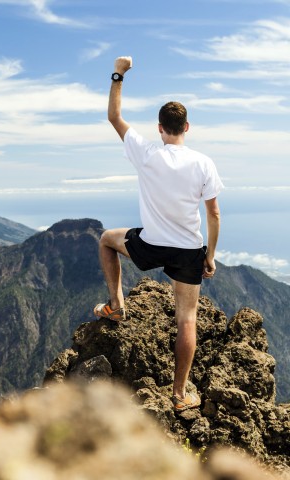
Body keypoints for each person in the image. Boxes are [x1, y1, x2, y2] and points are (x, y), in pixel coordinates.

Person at [94, 56, 223, 412]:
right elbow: (213, 213)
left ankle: (117, 306)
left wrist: (119, 74)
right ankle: (180, 394)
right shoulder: (203, 163)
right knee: (187, 320)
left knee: (106, 239)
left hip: (150, 245)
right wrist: (209, 256)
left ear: (160, 128)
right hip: (187, 251)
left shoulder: (148, 153)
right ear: (187, 127)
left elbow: (114, 118)